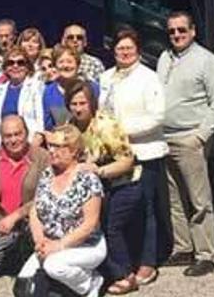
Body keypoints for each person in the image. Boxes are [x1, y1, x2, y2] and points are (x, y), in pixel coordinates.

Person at [157, 11, 214, 277]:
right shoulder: (165, 58)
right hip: (165, 137)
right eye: (172, 31)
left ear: (193, 31)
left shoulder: (207, 61)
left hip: (190, 138)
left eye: (181, 30)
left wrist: (200, 136)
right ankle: (183, 247)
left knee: (199, 200)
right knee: (174, 199)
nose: (176, 35)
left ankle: (205, 254)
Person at [99, 27, 170, 285]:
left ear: (138, 50)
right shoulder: (106, 78)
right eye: (120, 48)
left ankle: (148, 263)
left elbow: (158, 116)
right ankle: (125, 260)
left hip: (144, 152)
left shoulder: (149, 78)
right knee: (120, 211)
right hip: (115, 157)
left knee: (147, 208)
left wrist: (121, 133)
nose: (124, 52)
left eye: (129, 48)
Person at [16, 124, 106, 297]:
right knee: (23, 287)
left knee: (54, 267)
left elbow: (90, 224)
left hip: (85, 245)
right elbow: (35, 210)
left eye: (58, 147)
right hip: (50, 242)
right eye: (51, 146)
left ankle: (91, 283)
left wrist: (59, 246)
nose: (51, 151)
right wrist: (40, 240)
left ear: (73, 151)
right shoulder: (48, 174)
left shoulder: (87, 179)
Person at [68, 85, 141, 295]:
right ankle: (109, 270)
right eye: (74, 104)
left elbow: (127, 160)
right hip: (98, 186)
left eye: (83, 103)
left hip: (124, 182)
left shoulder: (105, 124)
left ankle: (127, 276)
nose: (78, 108)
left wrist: (99, 171)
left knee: (111, 228)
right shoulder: (72, 125)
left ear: (92, 103)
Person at [0, 116, 48, 279]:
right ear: (2, 137)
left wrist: (17, 215)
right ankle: (14, 256)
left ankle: (24, 256)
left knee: (41, 269)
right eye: (8, 136)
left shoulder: (42, 157)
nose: (13, 140)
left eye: (17, 134)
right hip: (0, 223)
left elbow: (46, 195)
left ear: (26, 134)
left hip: (31, 223)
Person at [0, 47, 45, 149]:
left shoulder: (36, 87)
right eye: (10, 63)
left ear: (28, 66)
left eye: (20, 62)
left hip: (28, 145)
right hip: (3, 146)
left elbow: (40, 122)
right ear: (5, 67)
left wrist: (32, 149)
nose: (15, 66)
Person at [42, 45, 98, 130]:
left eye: (69, 61)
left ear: (77, 65)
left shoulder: (93, 88)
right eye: (61, 62)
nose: (66, 65)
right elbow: (49, 126)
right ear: (55, 66)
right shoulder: (49, 92)